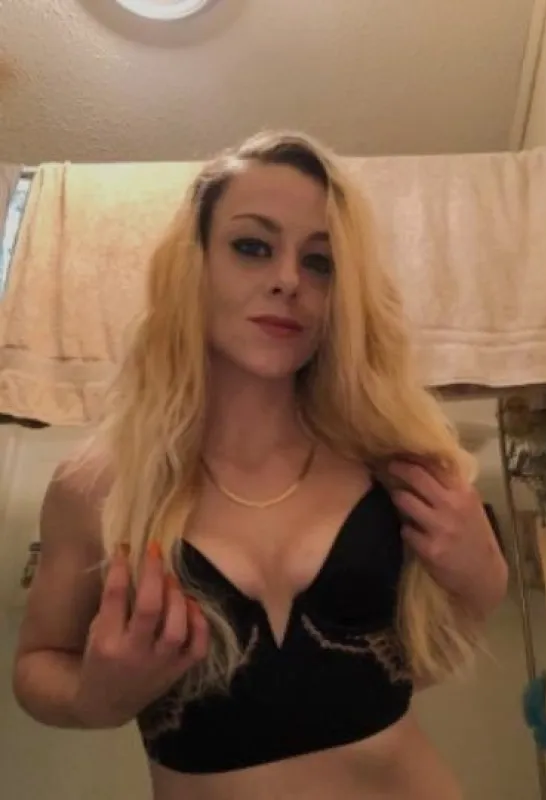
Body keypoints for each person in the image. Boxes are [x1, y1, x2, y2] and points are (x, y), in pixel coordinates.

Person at [12, 131, 508, 800]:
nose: (288, 280)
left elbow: (420, 661)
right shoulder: (98, 486)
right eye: (252, 247)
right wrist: (95, 697)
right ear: (194, 266)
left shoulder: (387, 462)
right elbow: (36, 666)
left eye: (320, 262)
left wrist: (485, 579)